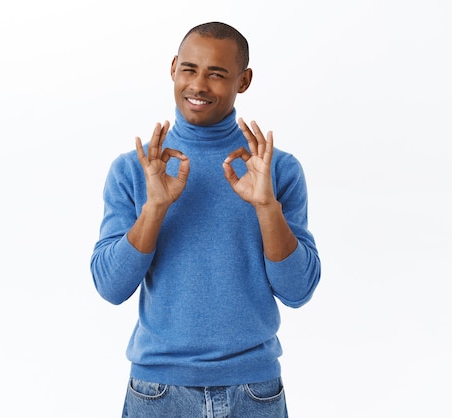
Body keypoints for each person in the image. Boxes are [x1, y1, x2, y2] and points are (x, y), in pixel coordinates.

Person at [90, 21, 321, 417]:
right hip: (158, 393)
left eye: (217, 74)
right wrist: (154, 208)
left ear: (243, 81)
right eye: (189, 69)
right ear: (173, 68)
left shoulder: (276, 170)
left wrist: (267, 207)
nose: (198, 85)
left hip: (254, 391)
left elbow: (298, 290)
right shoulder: (136, 169)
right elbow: (111, 287)